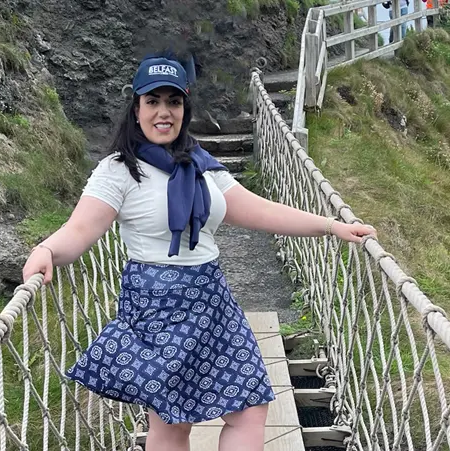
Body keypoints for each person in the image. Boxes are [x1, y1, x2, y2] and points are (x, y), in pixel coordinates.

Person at [22, 53, 376, 451]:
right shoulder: (119, 170)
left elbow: (261, 211)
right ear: (136, 108)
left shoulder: (203, 167)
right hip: (157, 304)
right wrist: (46, 250)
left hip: (212, 298)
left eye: (173, 102)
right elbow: (81, 229)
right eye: (152, 101)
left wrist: (331, 226)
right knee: (172, 422)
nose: (163, 112)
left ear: (184, 109)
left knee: (250, 406)